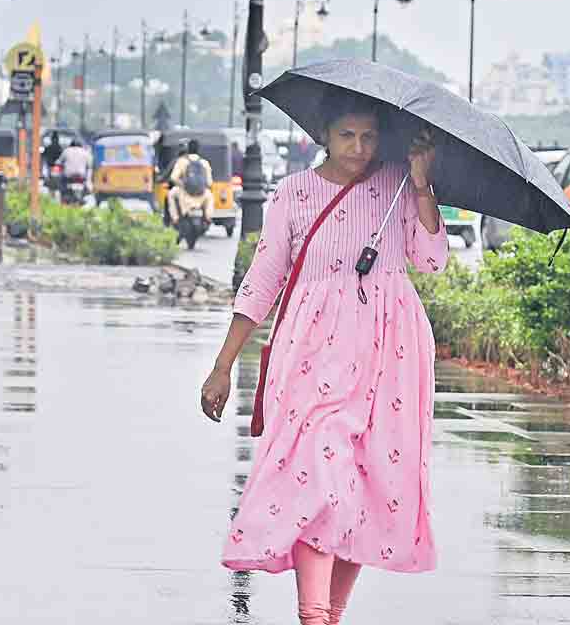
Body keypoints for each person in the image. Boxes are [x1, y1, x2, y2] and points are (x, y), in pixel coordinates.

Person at [201, 90, 448, 625]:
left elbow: (430, 260)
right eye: (346, 136)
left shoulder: (397, 184)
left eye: (369, 136)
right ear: (323, 137)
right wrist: (223, 365)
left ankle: (331, 615)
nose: (358, 148)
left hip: (391, 351)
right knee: (320, 474)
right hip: (313, 350)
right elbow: (264, 278)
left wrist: (423, 183)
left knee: (366, 481)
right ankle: (314, 615)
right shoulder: (294, 194)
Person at [166, 138, 216, 225]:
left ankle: (175, 218)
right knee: (210, 196)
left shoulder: (181, 161)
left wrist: (183, 185)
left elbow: (173, 178)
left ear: (188, 149)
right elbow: (209, 183)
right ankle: (208, 216)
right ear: (198, 150)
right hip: (201, 195)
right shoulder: (205, 162)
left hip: (184, 194)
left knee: (171, 194)